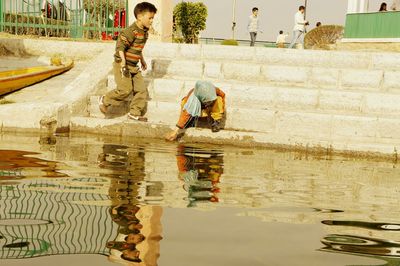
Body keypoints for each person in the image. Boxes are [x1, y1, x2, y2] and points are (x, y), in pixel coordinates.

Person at [99, 2, 157, 122]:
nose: (151, 21)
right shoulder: (130, 31)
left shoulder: (144, 32)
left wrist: (142, 60)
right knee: (125, 90)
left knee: (141, 90)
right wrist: (123, 64)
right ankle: (105, 99)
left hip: (134, 66)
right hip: (122, 64)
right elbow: (120, 48)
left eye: (153, 18)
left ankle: (134, 113)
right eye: (149, 18)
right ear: (140, 16)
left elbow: (137, 48)